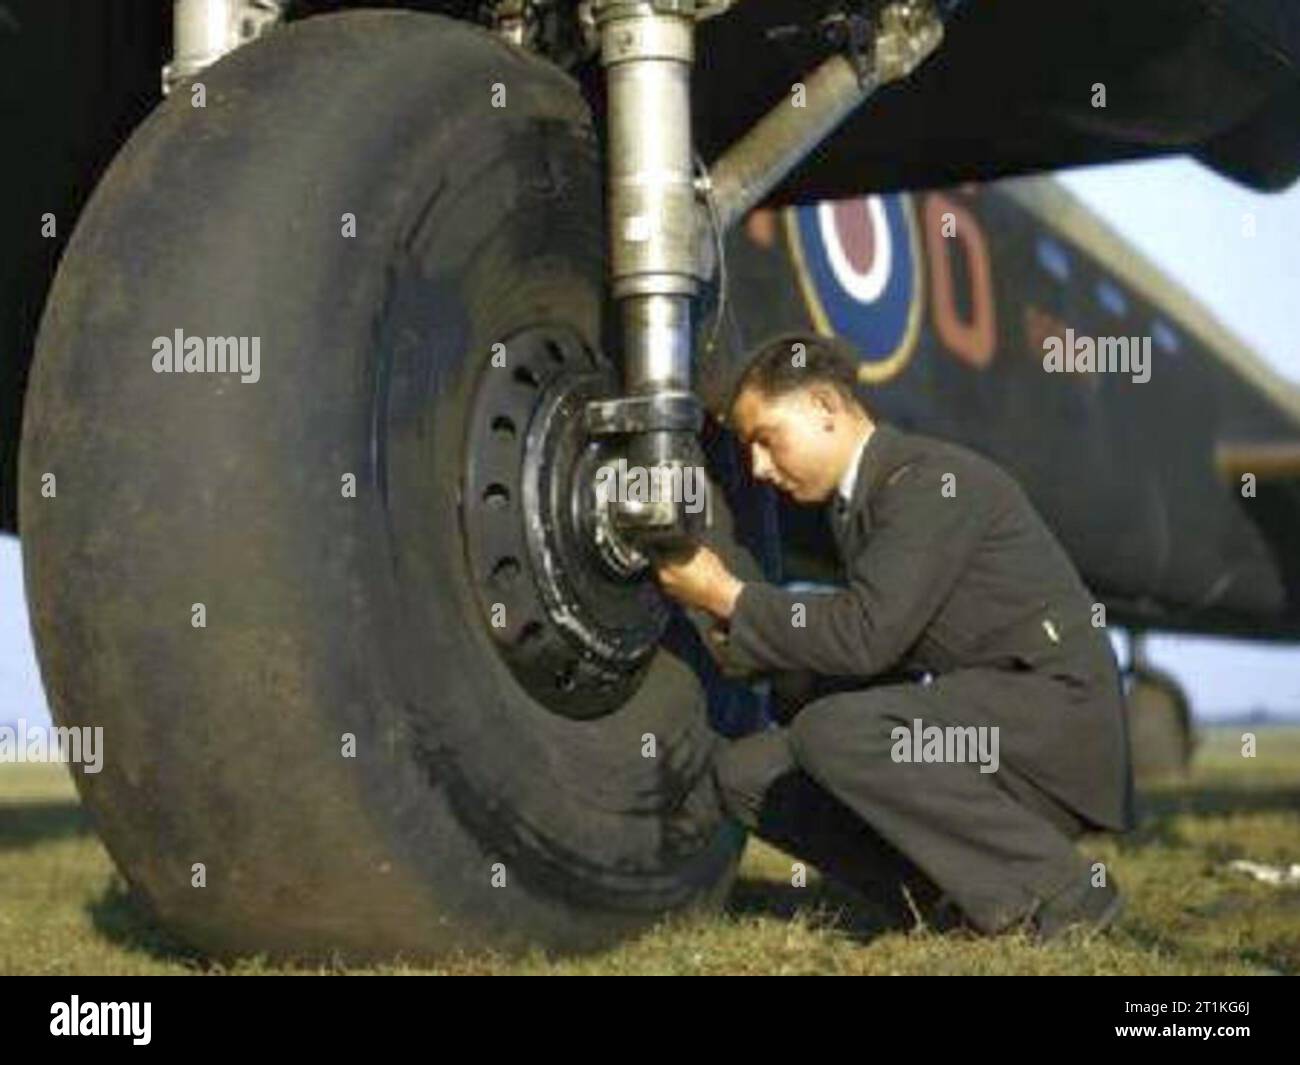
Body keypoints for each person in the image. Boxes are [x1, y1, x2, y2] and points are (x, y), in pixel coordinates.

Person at [655, 332, 1136, 940]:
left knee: (836, 732)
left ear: (825, 408)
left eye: (765, 440)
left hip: (1049, 727)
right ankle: (947, 903)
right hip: (988, 721)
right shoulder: (860, 502)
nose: (758, 467)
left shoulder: (927, 481)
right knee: (748, 773)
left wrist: (727, 595)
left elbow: (866, 637)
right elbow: (874, 662)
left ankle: (1068, 894)